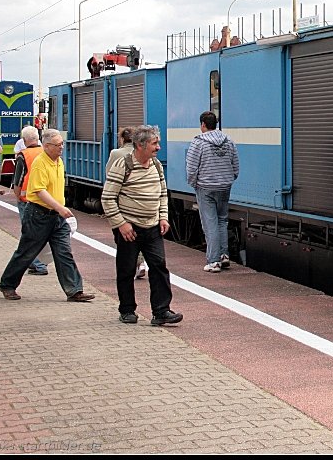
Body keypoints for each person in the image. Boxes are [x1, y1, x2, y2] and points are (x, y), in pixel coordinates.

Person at [0, 128, 96, 303]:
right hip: (38, 215)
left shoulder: (58, 161)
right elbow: (39, 190)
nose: (61, 147)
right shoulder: (40, 163)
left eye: (62, 144)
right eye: (58, 145)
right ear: (47, 146)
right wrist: (60, 207)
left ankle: (74, 290)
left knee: (64, 252)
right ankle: (7, 284)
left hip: (56, 218)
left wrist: (60, 210)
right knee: (27, 252)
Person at [101, 124, 182, 326]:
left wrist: (163, 216)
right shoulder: (123, 164)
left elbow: (163, 193)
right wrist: (121, 224)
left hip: (152, 226)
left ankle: (161, 311)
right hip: (130, 228)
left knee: (159, 267)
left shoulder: (156, 165)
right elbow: (108, 197)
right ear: (140, 145)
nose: (158, 148)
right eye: (155, 144)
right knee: (126, 269)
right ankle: (127, 310)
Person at [185, 111, 239, 273]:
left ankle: (213, 261)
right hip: (225, 186)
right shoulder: (228, 140)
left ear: (203, 124)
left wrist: (194, 183)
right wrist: (230, 178)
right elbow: (235, 163)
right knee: (222, 220)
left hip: (206, 187)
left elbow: (191, 167)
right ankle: (224, 255)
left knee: (210, 223)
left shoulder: (198, 143)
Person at [106, 126, 148, 279]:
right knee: (140, 231)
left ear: (122, 139)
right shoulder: (141, 153)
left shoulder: (116, 153)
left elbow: (109, 174)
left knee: (122, 234)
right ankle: (141, 263)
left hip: (121, 200)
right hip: (140, 200)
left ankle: (132, 265)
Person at [12, 126, 49, 275]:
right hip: (45, 199)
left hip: (26, 199)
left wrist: (17, 196)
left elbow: (18, 180)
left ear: (24, 140)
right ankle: (34, 262)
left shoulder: (23, 155)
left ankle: (39, 264)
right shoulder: (46, 153)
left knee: (29, 233)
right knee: (40, 232)